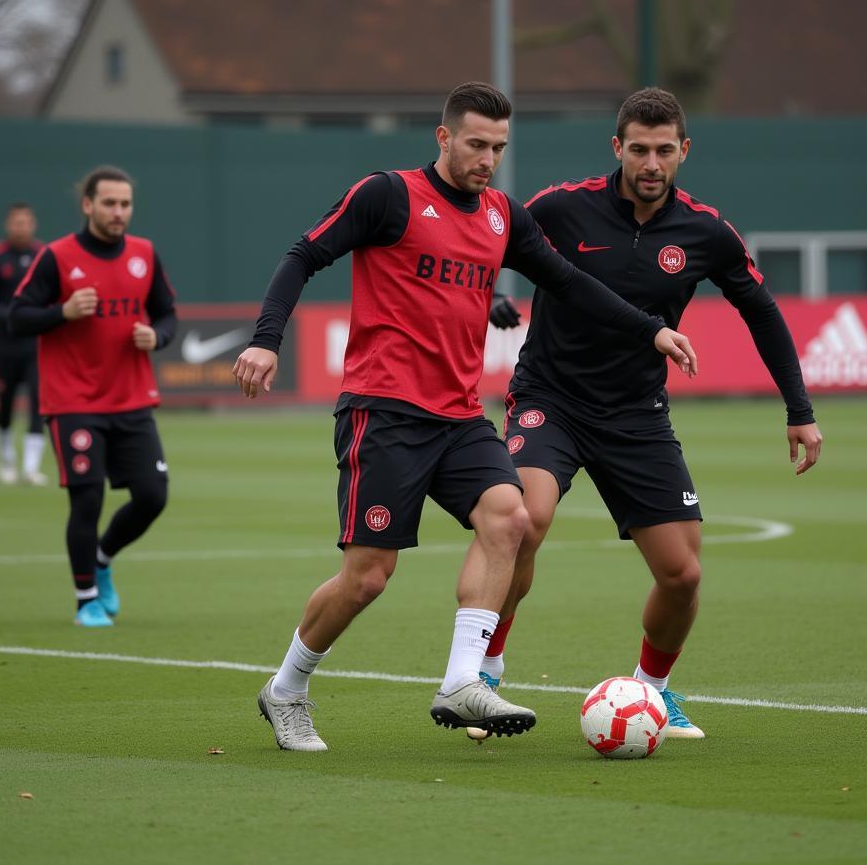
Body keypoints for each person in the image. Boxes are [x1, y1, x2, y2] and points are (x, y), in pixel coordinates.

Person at [233, 82, 699, 752]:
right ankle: (286, 688)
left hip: (458, 415)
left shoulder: (502, 214)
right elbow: (303, 255)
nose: (488, 159)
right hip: (384, 410)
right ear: (444, 138)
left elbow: (568, 281)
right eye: (477, 144)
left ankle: (462, 680)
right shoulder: (387, 196)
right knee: (368, 577)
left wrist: (649, 329)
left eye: (500, 148)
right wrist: (265, 338)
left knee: (510, 518)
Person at [484, 87, 823, 738]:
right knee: (524, 521)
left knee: (682, 573)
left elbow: (763, 313)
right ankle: (486, 673)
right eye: (638, 149)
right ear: (617, 148)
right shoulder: (563, 207)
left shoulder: (707, 231)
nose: (650, 162)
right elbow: (491, 243)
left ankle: (653, 692)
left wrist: (798, 409)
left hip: (637, 415)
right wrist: (492, 297)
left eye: (664, 150)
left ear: (683, 151)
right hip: (549, 400)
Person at [8, 166, 177, 628]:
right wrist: (61, 311)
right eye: (109, 203)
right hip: (73, 400)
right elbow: (17, 316)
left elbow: (167, 315)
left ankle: (102, 558)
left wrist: (156, 337)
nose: (118, 212)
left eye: (125, 204)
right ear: (87, 205)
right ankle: (86, 599)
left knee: (152, 495)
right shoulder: (57, 257)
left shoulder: (145, 254)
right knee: (87, 501)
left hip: (132, 398)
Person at [0, 202, 46, 485]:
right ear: (8, 225)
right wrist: (6, 315)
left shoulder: (43, 255)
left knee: (39, 401)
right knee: (5, 403)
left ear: (33, 224)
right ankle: (6, 455)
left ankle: (30, 467)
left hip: (36, 344)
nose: (21, 227)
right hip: (5, 344)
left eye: (26, 222)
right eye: (16, 222)